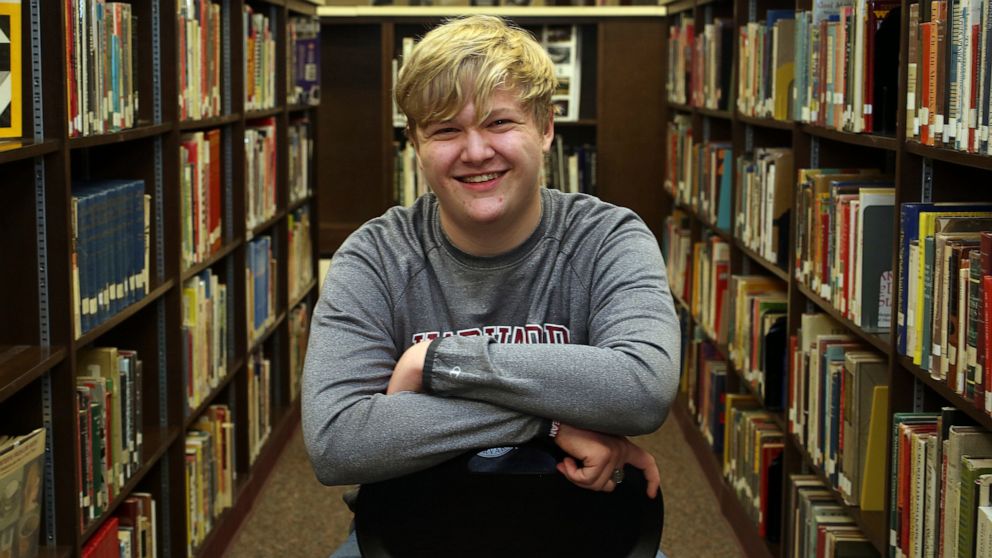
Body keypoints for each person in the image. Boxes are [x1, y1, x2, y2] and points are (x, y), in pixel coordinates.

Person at [302, 15, 681, 557]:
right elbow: (337, 442)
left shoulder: (608, 239)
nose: (476, 151)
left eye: (500, 123)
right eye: (446, 130)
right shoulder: (374, 257)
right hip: (410, 529)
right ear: (415, 142)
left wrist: (435, 364)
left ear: (547, 127)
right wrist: (547, 421)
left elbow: (643, 389)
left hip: (580, 524)